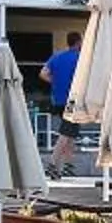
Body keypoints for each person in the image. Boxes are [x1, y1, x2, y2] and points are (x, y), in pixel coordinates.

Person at [43, 31, 83, 175]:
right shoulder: (79, 58)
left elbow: (43, 74)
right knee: (66, 133)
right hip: (72, 100)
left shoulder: (56, 57)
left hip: (57, 100)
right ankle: (52, 164)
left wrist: (56, 83)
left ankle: (68, 165)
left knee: (71, 133)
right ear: (78, 42)